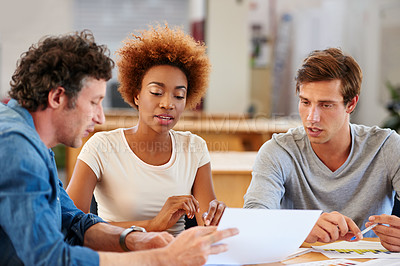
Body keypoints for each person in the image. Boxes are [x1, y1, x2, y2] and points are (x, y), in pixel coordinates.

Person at [0, 30, 238, 265]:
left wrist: (135, 239)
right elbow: (50, 258)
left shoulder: (36, 145)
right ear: (57, 97)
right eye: (94, 102)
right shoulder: (17, 149)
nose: (101, 118)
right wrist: (159, 257)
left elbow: (73, 221)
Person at [66, 24, 225, 236]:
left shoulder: (194, 148)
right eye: (156, 92)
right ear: (136, 95)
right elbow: (70, 226)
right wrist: (153, 225)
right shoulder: (101, 147)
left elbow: (208, 229)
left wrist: (217, 216)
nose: (168, 103)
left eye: (179, 96)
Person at [244, 48, 400, 249]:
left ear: (351, 103)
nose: (312, 117)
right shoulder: (278, 151)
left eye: (326, 105)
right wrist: (300, 227)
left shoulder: (387, 146)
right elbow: (252, 220)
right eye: (305, 102)